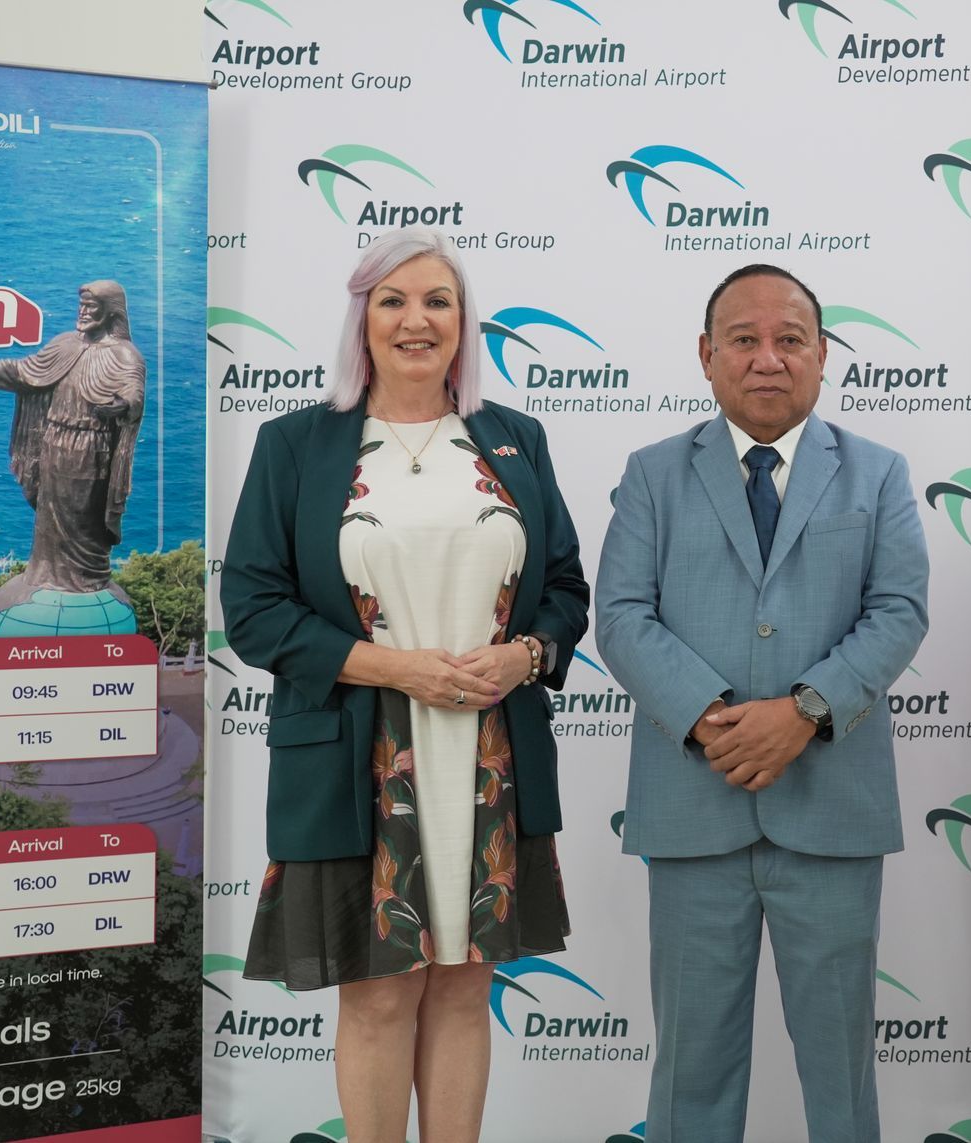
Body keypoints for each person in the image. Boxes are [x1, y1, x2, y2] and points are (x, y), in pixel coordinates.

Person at [221, 228, 590, 1143]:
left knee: (465, 990)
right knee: (381, 1000)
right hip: (358, 751)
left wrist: (524, 658)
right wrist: (399, 668)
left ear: (464, 323)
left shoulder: (515, 439)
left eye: (437, 301)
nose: (416, 320)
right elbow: (255, 609)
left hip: (490, 753)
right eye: (393, 300)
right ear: (362, 320)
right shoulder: (297, 444)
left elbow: (566, 590)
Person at [594, 263, 929, 1143]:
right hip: (693, 813)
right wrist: (710, 720)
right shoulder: (654, 473)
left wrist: (806, 710)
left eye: (791, 340)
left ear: (823, 356)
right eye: (744, 339)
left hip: (832, 813)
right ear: (707, 356)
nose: (768, 358)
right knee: (689, 1074)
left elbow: (899, 611)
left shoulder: (879, 473)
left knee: (842, 1074)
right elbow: (622, 615)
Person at [0, 280, 144, 593]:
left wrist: (122, 404)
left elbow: (133, 393)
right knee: (49, 518)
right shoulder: (66, 344)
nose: (84, 312)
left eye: (92, 307)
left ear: (110, 312)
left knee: (81, 519)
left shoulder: (124, 355)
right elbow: (25, 372)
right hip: (53, 442)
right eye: (81, 306)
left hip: (90, 449)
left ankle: (86, 576)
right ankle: (46, 574)